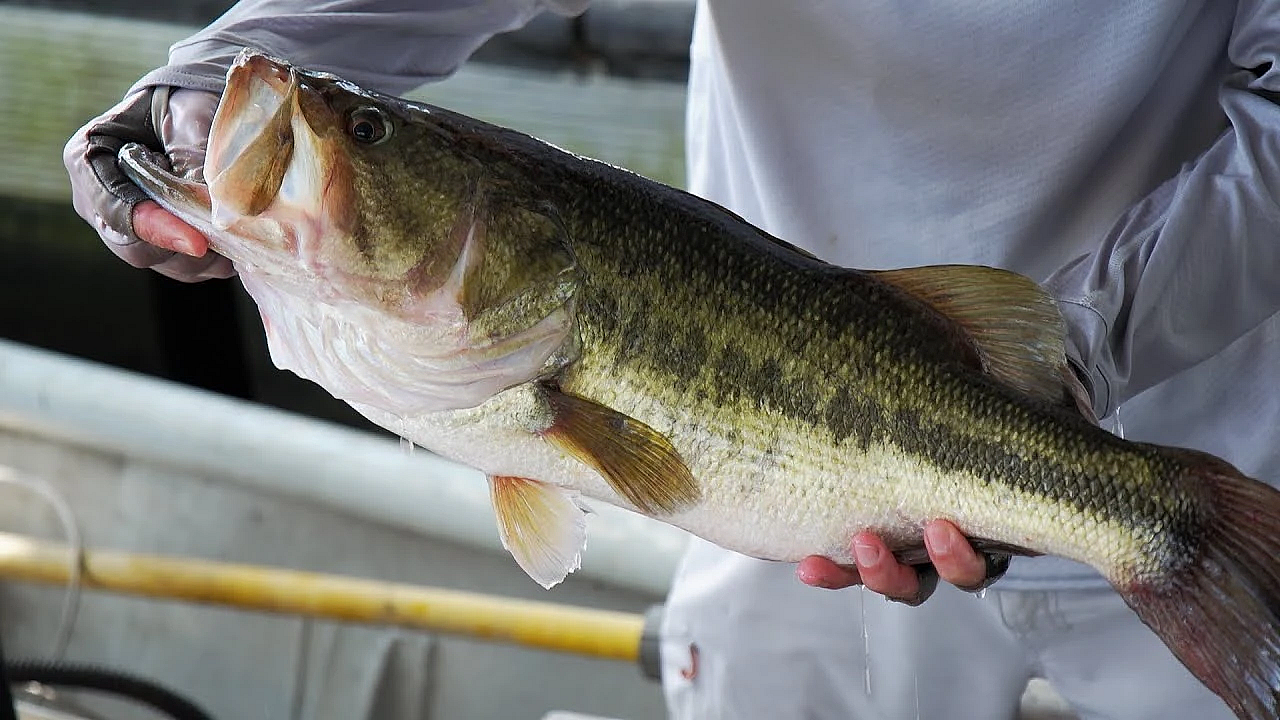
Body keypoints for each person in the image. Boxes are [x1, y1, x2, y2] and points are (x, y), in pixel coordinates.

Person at [64, 2, 1280, 718]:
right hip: (761, 517)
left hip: (1202, 411)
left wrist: (1068, 357)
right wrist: (205, 73)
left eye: (359, 140)